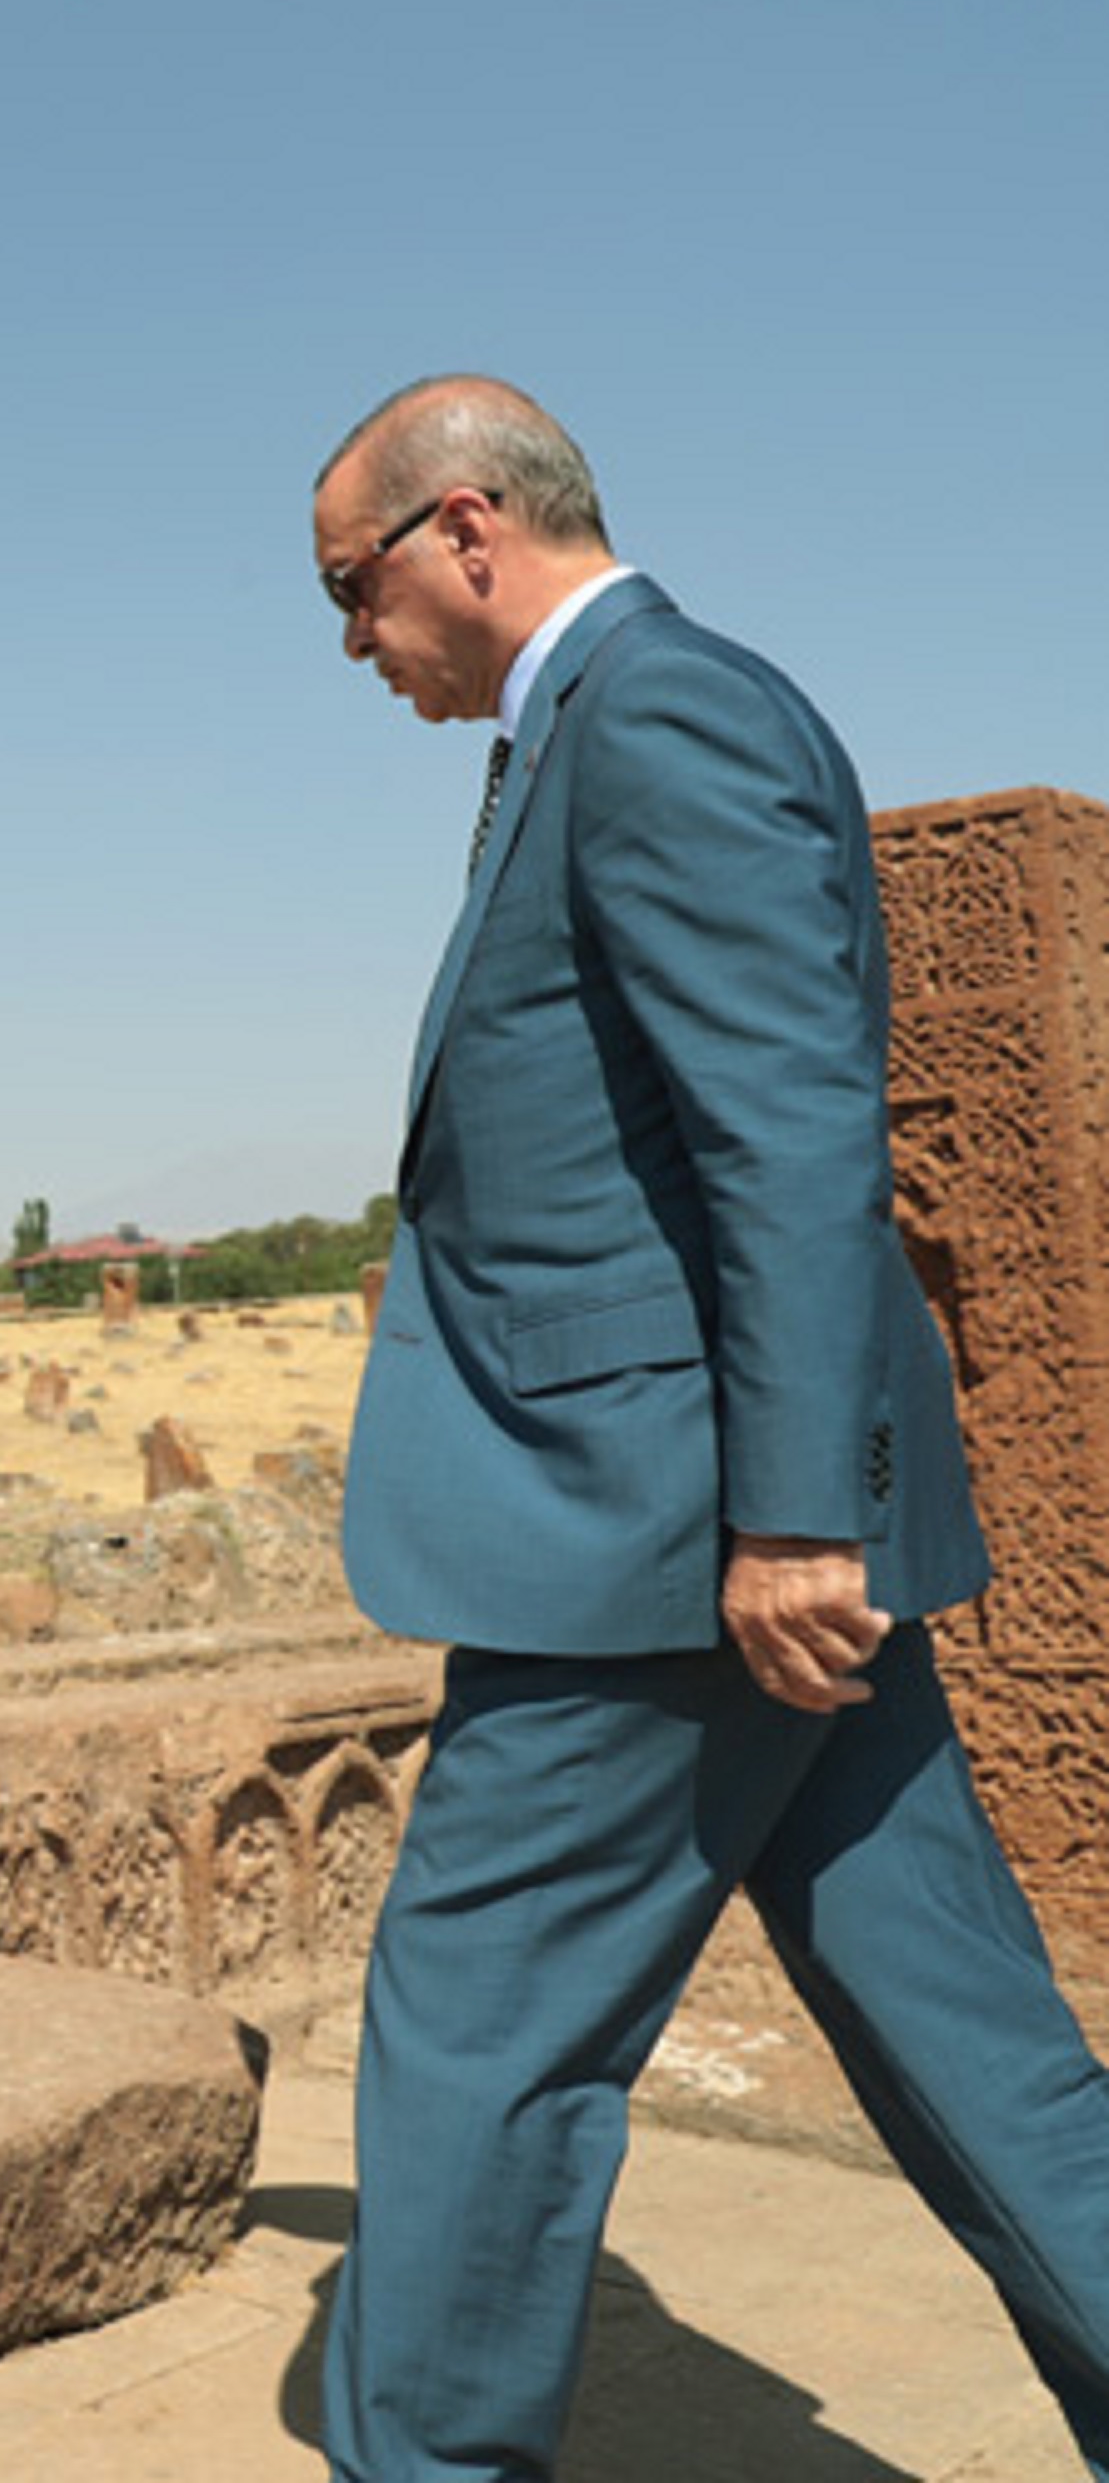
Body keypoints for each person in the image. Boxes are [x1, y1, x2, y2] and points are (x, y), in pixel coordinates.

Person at [312, 374, 1109, 2479]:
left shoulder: (653, 715)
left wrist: (781, 1520)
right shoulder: (598, 729)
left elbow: (782, 1135)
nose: (348, 643)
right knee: (975, 2051)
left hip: (663, 1550)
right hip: (715, 1533)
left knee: (469, 2036)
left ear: (461, 531)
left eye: (348, 589)